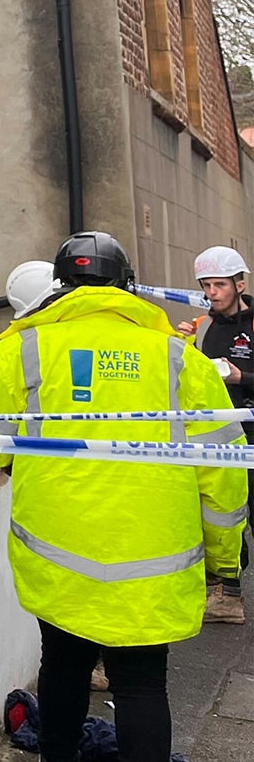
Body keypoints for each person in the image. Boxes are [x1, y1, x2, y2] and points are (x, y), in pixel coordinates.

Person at [0, 231, 247, 762]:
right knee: (142, 683)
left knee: (62, 666)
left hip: (56, 554)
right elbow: (223, 473)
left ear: (61, 287)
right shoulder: (180, 359)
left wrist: (19, 456)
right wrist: (224, 562)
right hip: (153, 559)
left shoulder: (21, 349)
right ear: (128, 286)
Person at [184, 245, 254, 623]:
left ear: (239, 285)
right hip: (221, 438)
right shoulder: (204, 325)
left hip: (252, 435)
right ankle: (228, 597)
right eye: (206, 285)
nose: (212, 292)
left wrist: (242, 378)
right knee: (226, 518)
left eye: (220, 285)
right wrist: (185, 346)